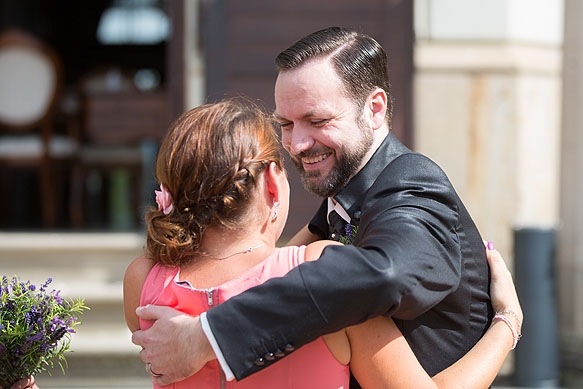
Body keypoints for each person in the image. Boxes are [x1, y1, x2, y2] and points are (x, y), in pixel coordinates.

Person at [132, 27, 502, 386]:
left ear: (374, 109)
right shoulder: (344, 194)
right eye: (286, 124)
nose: (296, 144)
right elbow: (269, 271)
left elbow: (385, 274)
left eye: (317, 121)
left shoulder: (413, 185)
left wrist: (206, 336)